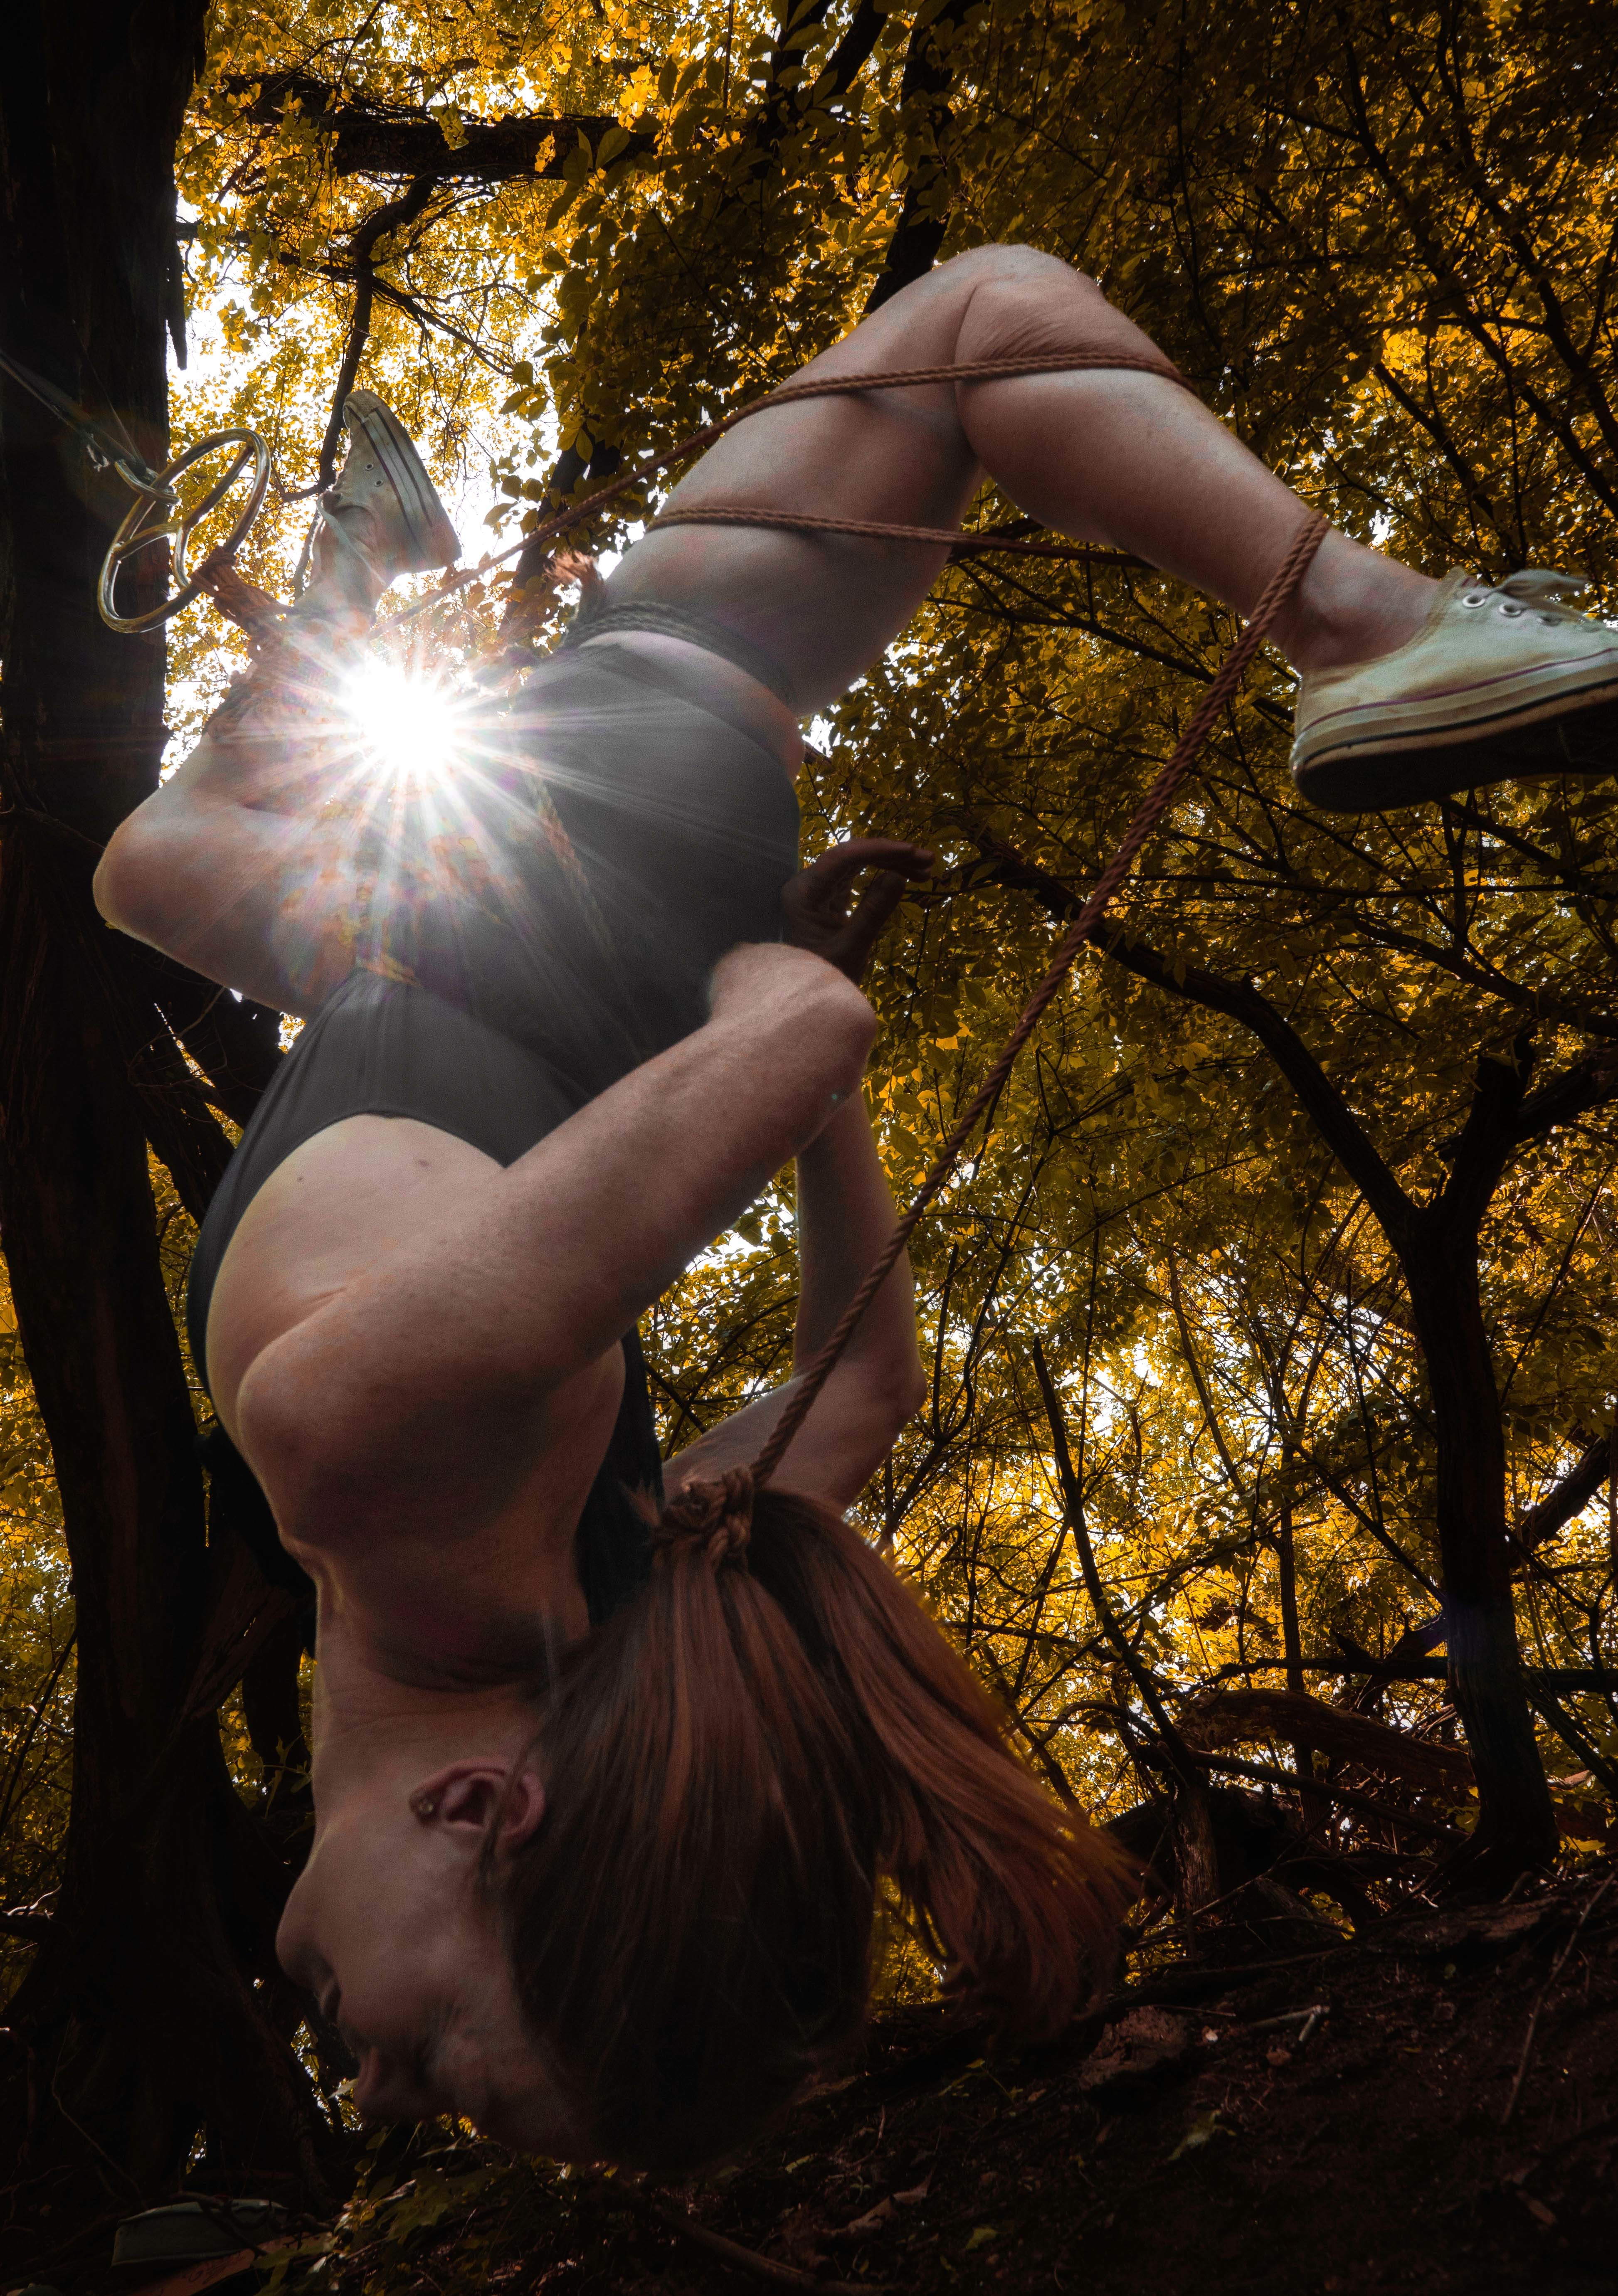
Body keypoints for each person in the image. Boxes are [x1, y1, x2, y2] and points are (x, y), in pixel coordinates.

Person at [94, 244, 1618, 2168]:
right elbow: (809, 1031)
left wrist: (781, 1059)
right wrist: (772, 1012)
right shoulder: (367, 1457)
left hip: (468, 963)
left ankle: (358, 570)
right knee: (977, 327)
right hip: (592, 859)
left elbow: (865, 1380)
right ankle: (1366, 629)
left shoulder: (599, 1601)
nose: (385, 2096)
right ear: (484, 1815)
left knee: (153, 868)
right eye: (450, 2062)